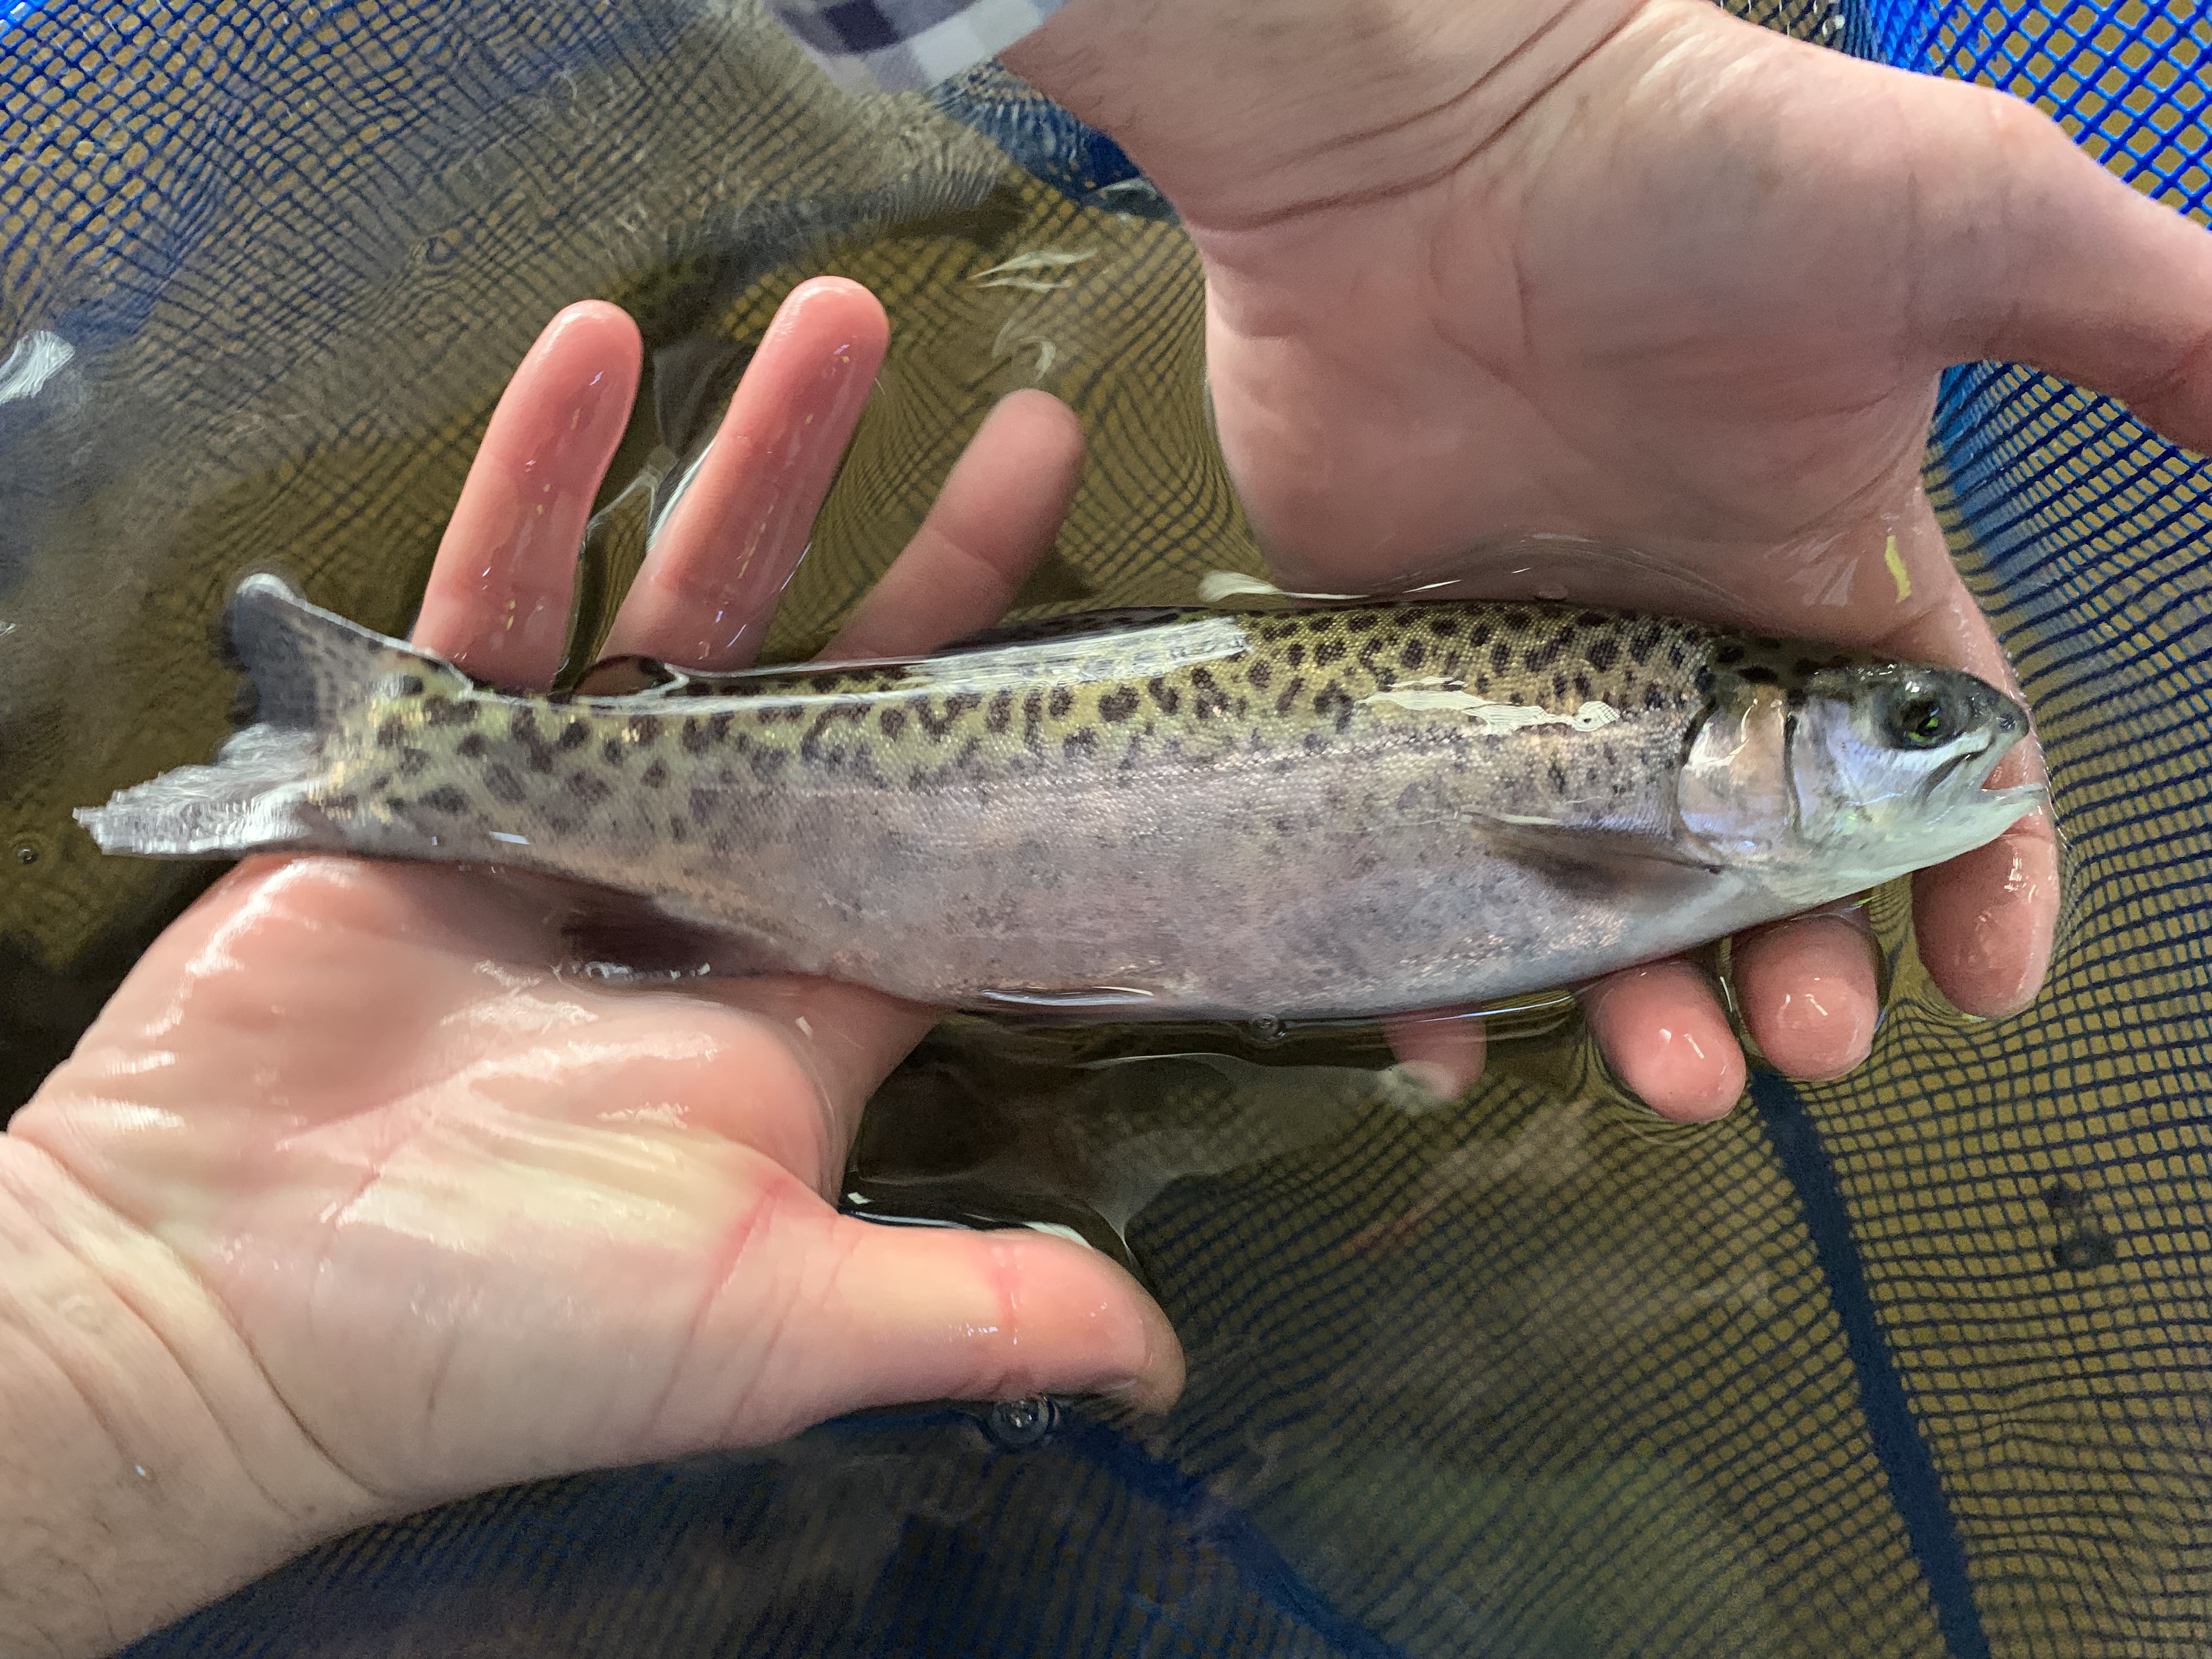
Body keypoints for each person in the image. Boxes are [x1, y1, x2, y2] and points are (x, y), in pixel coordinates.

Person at [8, 2, 2212, 1651]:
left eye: (1927, 728)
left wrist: (108, 1352)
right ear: (1766, 739)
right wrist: (1438, 96)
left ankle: (405, 764)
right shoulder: (1672, 825)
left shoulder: (1689, 809)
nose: (1974, 746)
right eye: (1915, 729)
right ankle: (395, 763)